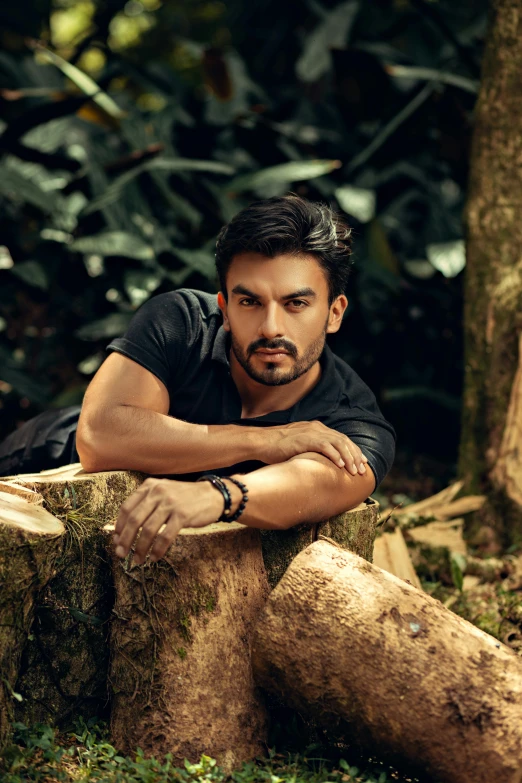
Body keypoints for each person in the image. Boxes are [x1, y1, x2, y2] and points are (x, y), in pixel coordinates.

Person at [0, 195, 395, 564]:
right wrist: (270, 439)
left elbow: (321, 482)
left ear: (334, 312)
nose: (271, 327)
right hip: (29, 474)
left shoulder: (353, 417)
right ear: (224, 307)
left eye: (296, 304)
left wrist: (216, 495)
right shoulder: (182, 321)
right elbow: (100, 435)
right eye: (249, 302)